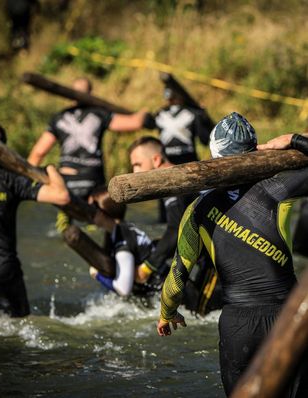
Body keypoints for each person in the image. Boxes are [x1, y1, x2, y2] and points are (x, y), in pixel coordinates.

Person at [157, 112, 308, 397]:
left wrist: (167, 312)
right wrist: (292, 140)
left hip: (238, 327)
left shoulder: (197, 210)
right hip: (290, 317)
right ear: (256, 152)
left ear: (215, 158)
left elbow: (177, 275)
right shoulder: (277, 189)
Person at [28, 77, 149, 231]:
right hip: (93, 179)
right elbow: (135, 123)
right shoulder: (100, 114)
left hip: (66, 180)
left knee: (65, 224)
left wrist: (25, 181)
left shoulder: (59, 118)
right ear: (90, 93)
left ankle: (64, 221)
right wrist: (144, 112)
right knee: (96, 224)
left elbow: (38, 152)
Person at [0, 120, 70, 317]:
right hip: (5, 273)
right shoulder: (11, 178)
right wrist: (50, 169)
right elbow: (61, 195)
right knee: (21, 325)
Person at [129, 136, 222, 315]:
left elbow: (175, 231)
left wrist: (147, 267)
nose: (134, 171)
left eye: (137, 164)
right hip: (208, 254)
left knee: (202, 314)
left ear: (156, 160)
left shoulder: (175, 183)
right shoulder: (179, 175)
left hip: (217, 258)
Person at [86, 186, 159, 298]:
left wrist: (97, 275)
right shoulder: (123, 229)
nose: (89, 212)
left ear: (103, 212)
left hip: (166, 298)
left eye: (91, 208)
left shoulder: (123, 245)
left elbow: (124, 290)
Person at [149, 87, 214, 165]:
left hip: (167, 163)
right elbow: (205, 140)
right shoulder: (193, 112)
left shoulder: (159, 114)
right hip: (190, 162)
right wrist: (203, 116)